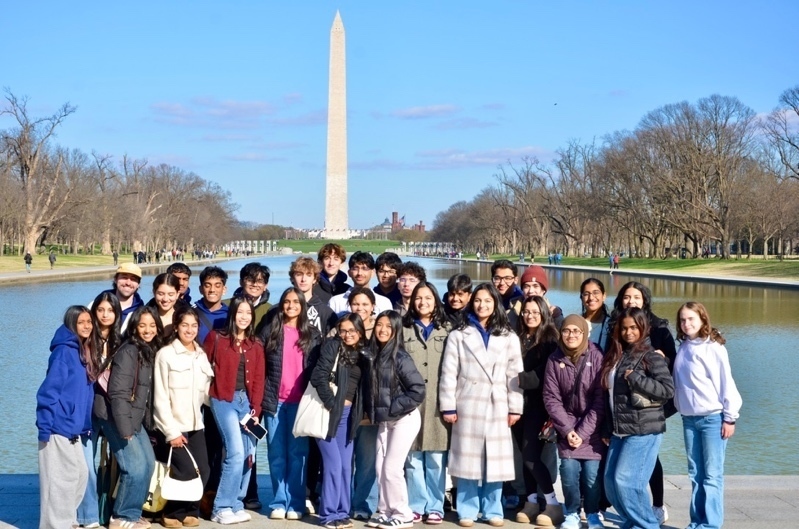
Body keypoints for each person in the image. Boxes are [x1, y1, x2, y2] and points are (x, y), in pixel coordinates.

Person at [439, 283, 524, 528]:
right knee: (467, 458)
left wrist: (514, 407)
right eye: (477, 300)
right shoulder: (459, 334)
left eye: (487, 301)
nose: (482, 305)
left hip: (498, 402)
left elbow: (514, 375)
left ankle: (492, 509)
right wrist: (449, 406)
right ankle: (467, 509)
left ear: (495, 303)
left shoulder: (508, 336)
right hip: (467, 400)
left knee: (494, 460)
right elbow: (449, 372)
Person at [601, 307, 674, 529]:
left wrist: (636, 379)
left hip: (643, 430)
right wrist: (607, 427)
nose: (628, 332)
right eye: (624, 328)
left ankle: (647, 525)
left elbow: (667, 390)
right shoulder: (617, 355)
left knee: (627, 483)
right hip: (619, 430)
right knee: (611, 484)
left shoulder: (651, 356)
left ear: (643, 328)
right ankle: (634, 522)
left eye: (633, 327)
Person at [673, 302, 742, 529]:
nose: (686, 324)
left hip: (713, 418)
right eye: (683, 320)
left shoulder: (712, 347)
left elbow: (726, 383)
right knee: (695, 474)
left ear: (703, 319)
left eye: (691, 319)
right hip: (689, 420)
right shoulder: (684, 347)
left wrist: (730, 417)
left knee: (712, 476)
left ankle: (711, 525)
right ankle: (697, 522)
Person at [259, 287, 322, 520]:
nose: (291, 305)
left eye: (296, 301)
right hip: (275, 402)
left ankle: (296, 502)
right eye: (287, 301)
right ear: (281, 304)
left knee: (299, 455)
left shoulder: (312, 335)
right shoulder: (270, 331)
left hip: (301, 404)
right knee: (276, 454)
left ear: (303, 306)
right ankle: (278, 501)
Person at [204, 297, 266, 524]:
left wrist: (255, 410)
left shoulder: (256, 344)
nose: (244, 317)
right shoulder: (217, 338)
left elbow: (259, 379)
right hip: (223, 400)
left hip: (246, 404)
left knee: (249, 454)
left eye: (248, 313)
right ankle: (221, 507)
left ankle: (236, 503)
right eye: (240, 312)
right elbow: (202, 365)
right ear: (232, 314)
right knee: (236, 452)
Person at [153, 305, 214, 527]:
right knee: (184, 470)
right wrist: (171, 432)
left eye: (194, 325)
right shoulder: (166, 355)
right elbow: (160, 397)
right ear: (176, 327)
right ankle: (172, 513)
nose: (189, 330)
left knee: (203, 470)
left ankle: (191, 510)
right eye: (185, 325)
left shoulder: (200, 355)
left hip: (196, 423)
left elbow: (207, 394)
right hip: (174, 425)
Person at [542, 315, 605, 529]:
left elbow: (600, 399)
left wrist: (583, 431)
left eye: (576, 331)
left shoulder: (597, 356)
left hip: (592, 428)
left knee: (591, 477)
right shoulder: (554, 359)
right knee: (568, 473)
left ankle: (593, 513)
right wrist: (568, 429)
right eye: (567, 331)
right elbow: (551, 398)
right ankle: (572, 512)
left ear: (584, 333)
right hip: (566, 426)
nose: (571, 335)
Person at [37, 306, 96, 529]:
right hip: (57, 427)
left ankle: (67, 521)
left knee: (80, 475)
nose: (87, 326)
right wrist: (45, 427)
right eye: (81, 322)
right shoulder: (63, 352)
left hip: (74, 428)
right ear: (71, 324)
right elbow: (48, 391)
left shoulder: (82, 350)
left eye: (89, 322)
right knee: (60, 482)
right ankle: (55, 525)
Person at [309, 313, 369, 529]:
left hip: (349, 416)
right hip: (328, 414)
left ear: (360, 332)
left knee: (345, 466)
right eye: (343, 330)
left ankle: (343, 512)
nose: (347, 335)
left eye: (352, 331)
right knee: (333, 465)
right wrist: (332, 403)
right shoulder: (332, 346)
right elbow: (318, 376)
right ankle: (328, 515)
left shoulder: (363, 353)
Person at [368, 311, 426, 529]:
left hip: (405, 418)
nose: (382, 330)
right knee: (380, 467)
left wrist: (394, 407)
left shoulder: (400, 357)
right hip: (385, 420)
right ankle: (385, 510)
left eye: (388, 327)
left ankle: (403, 514)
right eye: (379, 325)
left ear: (396, 331)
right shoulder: (375, 354)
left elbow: (418, 390)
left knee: (392, 468)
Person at [106, 306, 163, 529]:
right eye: (142, 325)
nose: (147, 330)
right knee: (135, 467)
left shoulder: (148, 350)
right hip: (118, 418)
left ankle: (132, 512)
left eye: (151, 325)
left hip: (134, 418)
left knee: (148, 464)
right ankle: (121, 517)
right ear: (134, 328)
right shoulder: (129, 350)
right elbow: (118, 393)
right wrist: (125, 428)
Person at [401, 282, 451, 525]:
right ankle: (416, 505)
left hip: (438, 403)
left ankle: (435, 505)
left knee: (436, 458)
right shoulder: (403, 329)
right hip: (410, 403)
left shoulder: (447, 329)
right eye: (418, 298)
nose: (422, 302)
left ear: (435, 300)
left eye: (428, 298)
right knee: (412, 457)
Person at [512, 296, 563, 527]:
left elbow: (541, 376)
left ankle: (552, 503)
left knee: (532, 455)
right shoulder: (519, 337)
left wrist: (511, 379)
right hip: (518, 404)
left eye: (534, 311)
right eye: (526, 312)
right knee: (524, 455)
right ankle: (531, 501)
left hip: (539, 406)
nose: (529, 315)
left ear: (543, 313)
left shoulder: (550, 339)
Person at [77, 292, 123, 528]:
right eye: (100, 310)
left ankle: (114, 511)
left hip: (109, 409)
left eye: (110, 310)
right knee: (85, 465)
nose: (105, 315)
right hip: (85, 410)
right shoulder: (84, 339)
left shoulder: (121, 341)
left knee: (122, 463)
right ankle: (88, 516)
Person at [329, 251, 393, 316]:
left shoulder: (383, 303)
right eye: (355, 268)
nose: (359, 273)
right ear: (349, 272)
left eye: (364, 268)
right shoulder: (336, 302)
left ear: (373, 272)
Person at [289, 256, 338, 335]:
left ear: (315, 279)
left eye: (308, 275)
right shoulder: (280, 310)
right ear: (292, 278)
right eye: (299, 274)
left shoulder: (326, 313)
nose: (303, 279)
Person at [98, 263, 144, 332]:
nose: (128, 283)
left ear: (138, 284)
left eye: (133, 279)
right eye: (124, 277)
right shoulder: (98, 303)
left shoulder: (141, 311)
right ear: (115, 279)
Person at [226, 262, 272, 330]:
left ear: (265, 286)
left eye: (260, 281)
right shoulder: (226, 306)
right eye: (250, 280)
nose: (255, 284)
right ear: (241, 282)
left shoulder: (270, 311)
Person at [194, 266, 229, 344]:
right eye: (207, 285)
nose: (212, 290)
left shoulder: (231, 314)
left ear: (224, 289)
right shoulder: (192, 312)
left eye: (217, 286)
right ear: (201, 289)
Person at [580, 278, 611, 353]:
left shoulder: (611, 324)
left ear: (604, 296)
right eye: (586, 294)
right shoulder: (575, 323)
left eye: (596, 293)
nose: (591, 298)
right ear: (581, 298)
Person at [148, 273, 181, 337]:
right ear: (154, 292)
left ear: (177, 294)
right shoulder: (144, 317)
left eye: (170, 294)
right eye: (161, 294)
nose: (165, 299)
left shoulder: (184, 317)